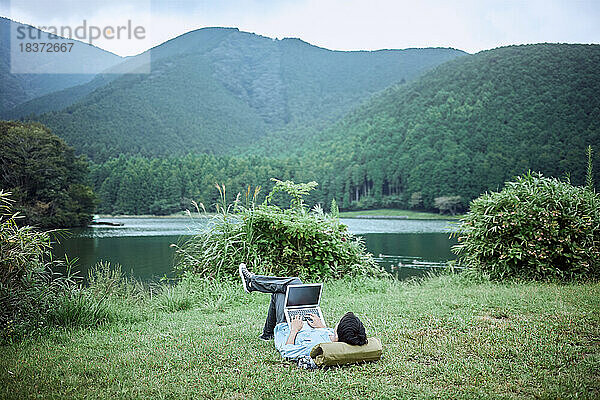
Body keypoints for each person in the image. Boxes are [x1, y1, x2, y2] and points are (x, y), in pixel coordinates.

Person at [238, 263, 367, 361]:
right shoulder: (333, 338)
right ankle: (267, 334)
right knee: (283, 290)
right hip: (301, 324)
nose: (338, 322)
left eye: (340, 322)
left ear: (340, 334)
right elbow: (332, 336)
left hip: (288, 327)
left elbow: (287, 352)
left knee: (291, 285)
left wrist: (294, 330)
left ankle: (251, 283)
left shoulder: (316, 346)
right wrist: (321, 327)